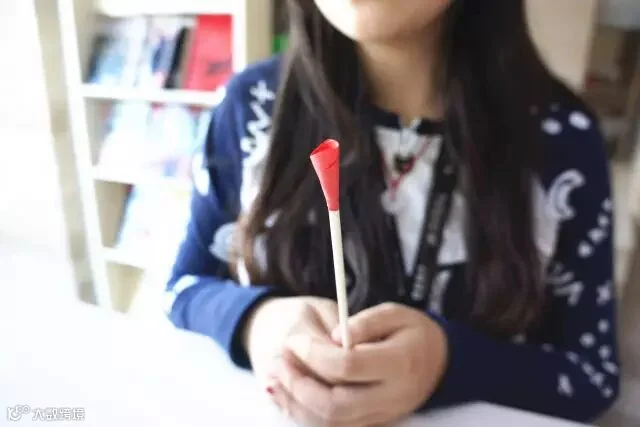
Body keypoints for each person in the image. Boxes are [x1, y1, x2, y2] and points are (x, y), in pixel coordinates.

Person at [165, 0, 621, 425]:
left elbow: (592, 377)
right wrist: (256, 320)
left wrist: (448, 362)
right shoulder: (252, 106)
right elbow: (184, 290)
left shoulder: (561, 143)